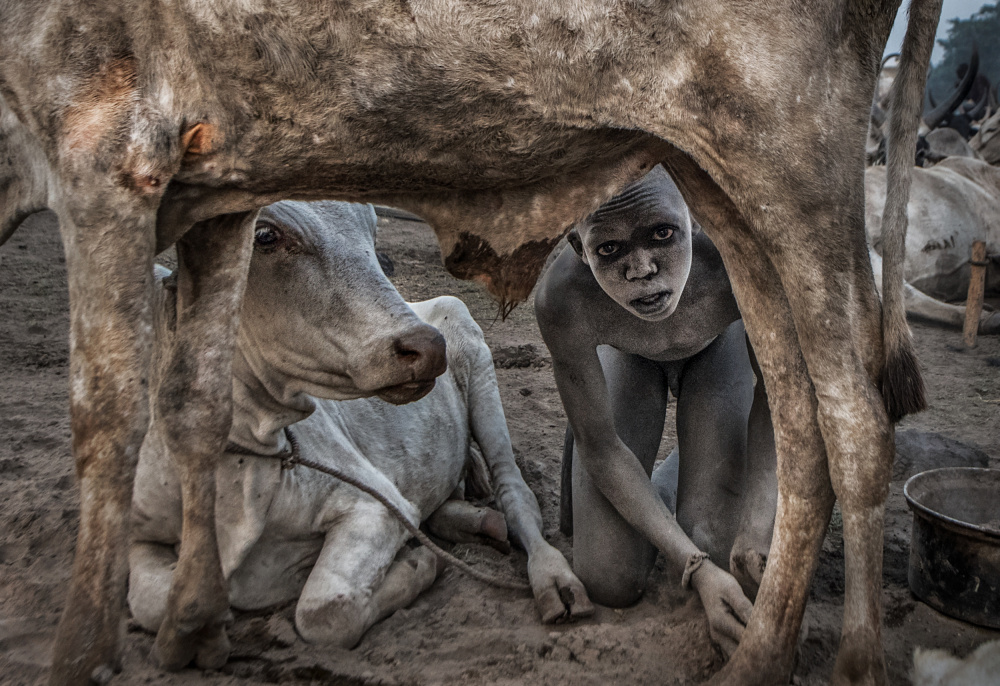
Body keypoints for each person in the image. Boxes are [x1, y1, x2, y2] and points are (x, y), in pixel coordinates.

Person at [534, 166, 777, 655]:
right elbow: (601, 447)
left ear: (695, 214)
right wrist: (695, 567)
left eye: (662, 234)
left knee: (724, 546)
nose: (642, 269)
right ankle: (656, 473)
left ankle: (683, 464)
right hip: (626, 355)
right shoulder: (563, 297)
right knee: (608, 582)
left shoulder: (741, 256)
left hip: (718, 350)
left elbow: (776, 400)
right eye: (610, 249)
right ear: (580, 249)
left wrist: (757, 518)